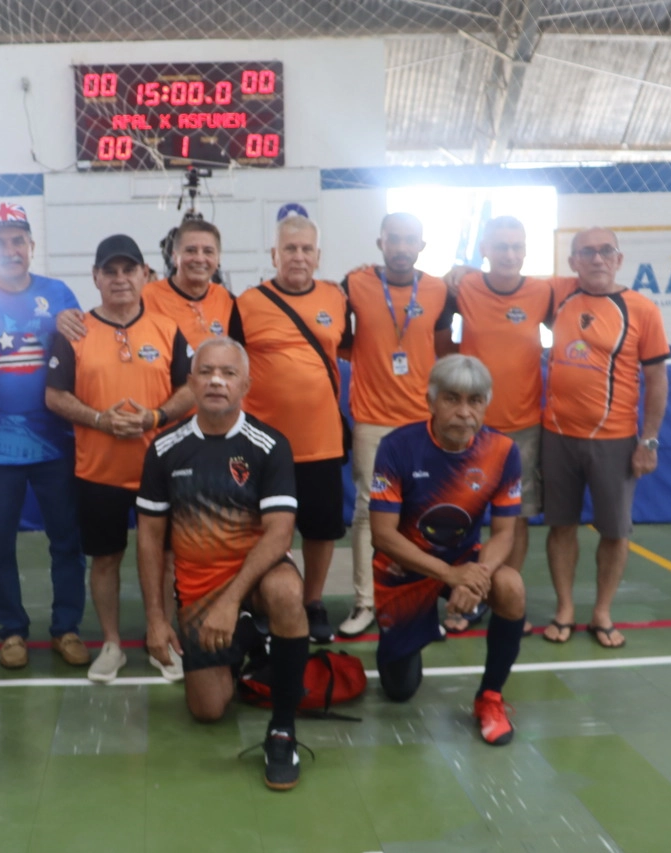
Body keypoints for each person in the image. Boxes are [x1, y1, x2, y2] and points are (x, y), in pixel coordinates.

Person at [137, 336, 310, 790]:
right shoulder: (163, 450)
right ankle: (250, 642)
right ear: (190, 381)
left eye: (228, 373)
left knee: (288, 593)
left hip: (254, 578)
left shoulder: (269, 445)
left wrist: (231, 601)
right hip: (198, 590)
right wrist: (156, 620)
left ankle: (282, 729)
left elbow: (279, 533)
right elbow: (151, 540)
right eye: (207, 371)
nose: (217, 380)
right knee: (208, 711)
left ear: (245, 384)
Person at [0, 203, 91, 671]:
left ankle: (67, 626)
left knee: (67, 539)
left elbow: (82, 354)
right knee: (0, 542)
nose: (10, 250)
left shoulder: (59, 293)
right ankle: (11, 631)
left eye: (18, 241)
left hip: (55, 442)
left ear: (31, 246)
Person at [45, 234, 194, 683]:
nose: (120, 279)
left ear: (145, 275)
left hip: (159, 472)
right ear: (95, 278)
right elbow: (54, 396)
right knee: (105, 559)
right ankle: (112, 643)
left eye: (129, 270)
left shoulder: (168, 328)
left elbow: (189, 390)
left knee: (165, 559)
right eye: (109, 271)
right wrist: (98, 419)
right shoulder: (74, 331)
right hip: (99, 470)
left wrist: (155, 416)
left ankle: (161, 635)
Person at [370, 355, 526, 745]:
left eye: (475, 401)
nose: (464, 412)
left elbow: (505, 534)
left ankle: (490, 697)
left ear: (485, 405)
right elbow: (383, 536)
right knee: (399, 690)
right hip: (402, 567)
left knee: (511, 587)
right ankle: (408, 636)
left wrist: (477, 576)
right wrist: (451, 577)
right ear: (431, 401)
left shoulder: (503, 452)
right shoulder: (397, 447)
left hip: (462, 559)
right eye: (452, 399)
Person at [542, 228, 670, 648]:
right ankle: (565, 608)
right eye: (586, 252)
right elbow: (507, 284)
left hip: (615, 440)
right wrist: (457, 272)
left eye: (605, 251)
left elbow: (656, 378)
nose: (596, 259)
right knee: (561, 526)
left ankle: (602, 612)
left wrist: (648, 441)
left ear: (618, 259)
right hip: (556, 435)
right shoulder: (556, 295)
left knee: (614, 532)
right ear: (573, 261)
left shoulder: (642, 309)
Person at [450, 217, 574, 631]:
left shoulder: (544, 292)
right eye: (501, 246)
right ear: (484, 249)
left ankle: (504, 594)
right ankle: (463, 597)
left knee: (515, 519)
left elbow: (594, 295)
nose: (509, 254)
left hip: (522, 428)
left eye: (517, 246)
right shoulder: (463, 285)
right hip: (469, 427)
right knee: (461, 514)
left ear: (525, 251)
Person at [230, 213, 347, 644]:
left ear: (318, 255)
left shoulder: (337, 298)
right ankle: (263, 600)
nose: (298, 257)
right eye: (290, 249)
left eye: (306, 249)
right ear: (274, 255)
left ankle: (312, 602)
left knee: (320, 530)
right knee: (261, 531)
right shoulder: (246, 303)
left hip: (322, 442)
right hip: (263, 446)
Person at [339, 212, 456, 639]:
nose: (402, 247)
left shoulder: (440, 290)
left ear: (421, 245)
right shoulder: (354, 286)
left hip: (423, 423)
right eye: (395, 240)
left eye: (410, 240)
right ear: (380, 242)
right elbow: (343, 343)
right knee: (369, 514)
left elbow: (441, 350)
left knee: (422, 515)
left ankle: (417, 603)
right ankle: (365, 602)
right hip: (371, 421)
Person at [141, 219, 235, 351]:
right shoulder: (147, 297)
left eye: (208, 251)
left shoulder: (226, 299)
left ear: (218, 258)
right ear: (174, 257)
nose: (199, 259)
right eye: (191, 251)